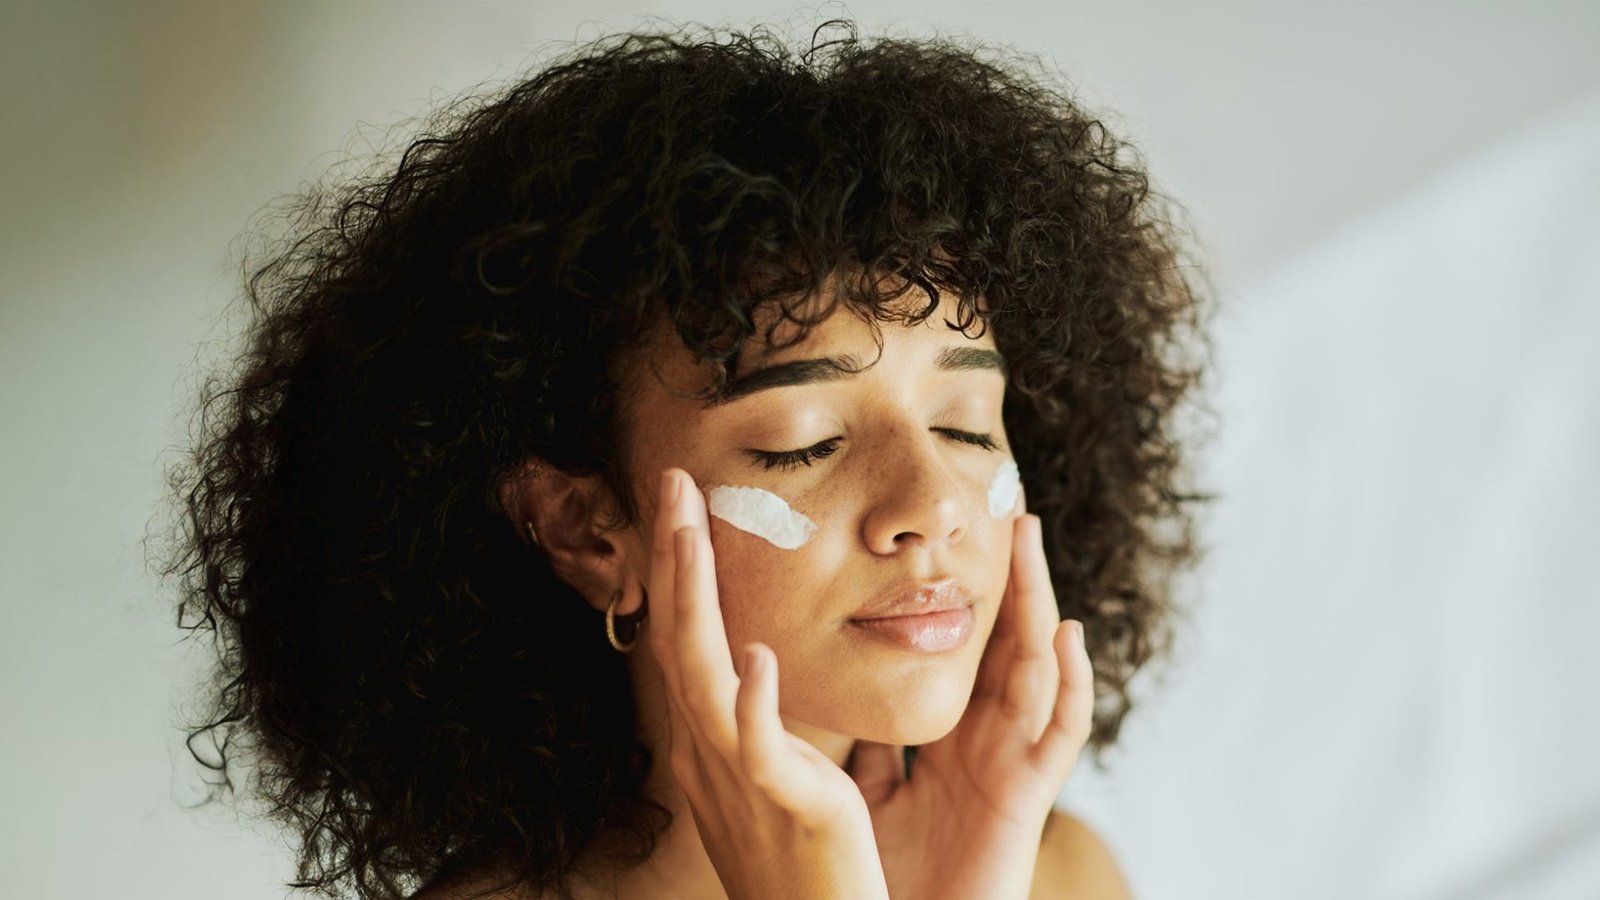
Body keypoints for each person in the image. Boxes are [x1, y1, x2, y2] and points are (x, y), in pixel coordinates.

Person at [161, 18, 1213, 900]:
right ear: (586, 529)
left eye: (967, 425)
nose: (932, 505)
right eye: (805, 444)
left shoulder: (1056, 873)